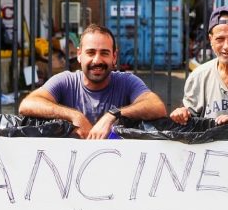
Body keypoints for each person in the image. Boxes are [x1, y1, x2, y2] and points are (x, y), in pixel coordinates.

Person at [19, 24, 167, 139]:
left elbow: (157, 106)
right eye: (90, 52)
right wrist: (75, 116)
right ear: (79, 55)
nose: (97, 60)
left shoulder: (127, 82)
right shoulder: (66, 81)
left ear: (114, 57)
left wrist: (113, 115)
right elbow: (27, 104)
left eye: (104, 53)